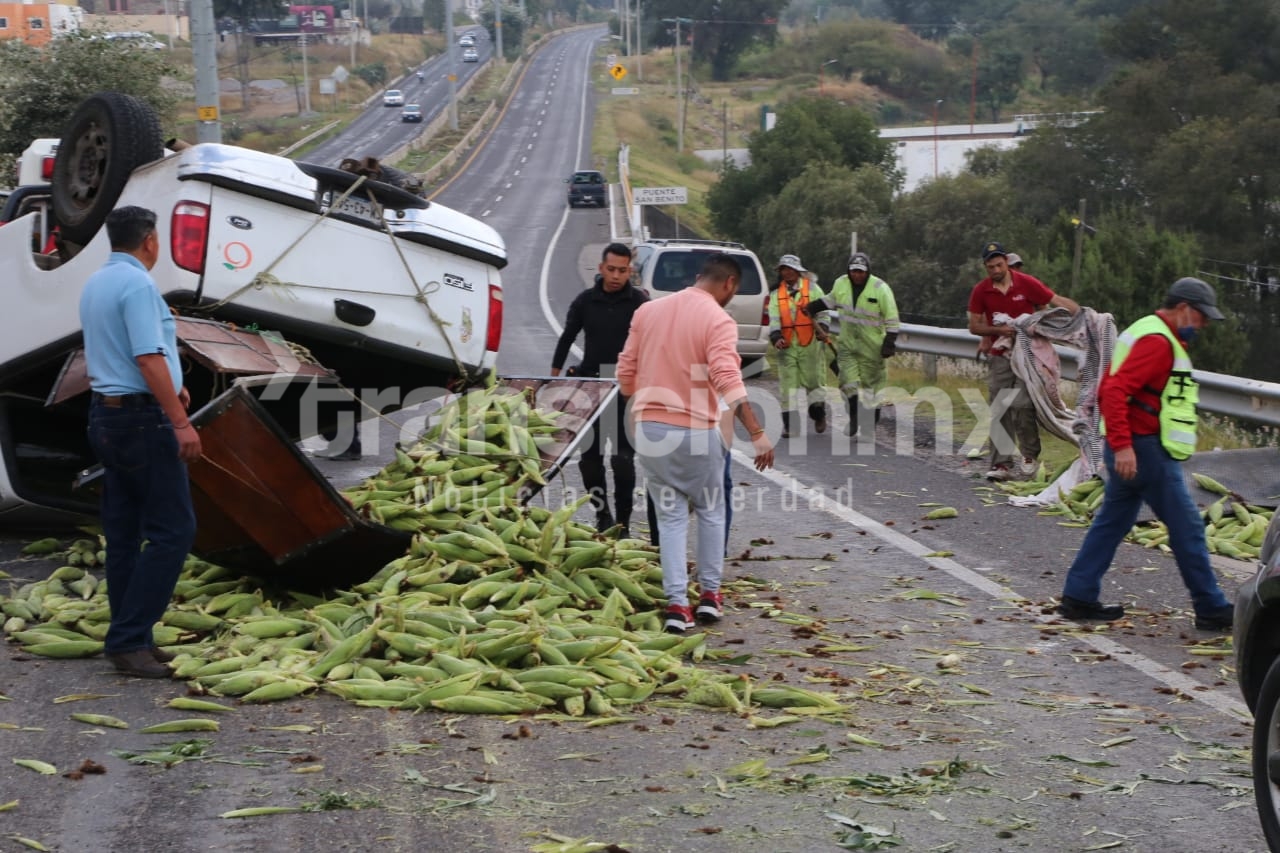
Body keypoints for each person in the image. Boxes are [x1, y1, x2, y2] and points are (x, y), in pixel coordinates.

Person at [1058, 277, 1235, 632]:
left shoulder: (1148, 329)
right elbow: (1114, 390)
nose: (1202, 326)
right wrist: (1124, 446)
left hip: (1131, 446)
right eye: (1200, 317)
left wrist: (1120, 446)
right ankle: (1211, 606)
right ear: (1184, 309)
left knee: (1111, 523)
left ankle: (1078, 596)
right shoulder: (1158, 342)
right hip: (1144, 449)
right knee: (1187, 528)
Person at [618, 253, 774, 634]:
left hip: (651, 431)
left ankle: (676, 606)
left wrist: (646, 407)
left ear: (699, 277)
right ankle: (709, 597)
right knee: (710, 511)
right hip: (697, 433)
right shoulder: (718, 319)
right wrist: (755, 431)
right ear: (729, 284)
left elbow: (625, 373)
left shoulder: (648, 312)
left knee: (669, 519)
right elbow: (726, 375)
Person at [79, 206, 201, 679]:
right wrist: (180, 421)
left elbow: (131, 354)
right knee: (174, 532)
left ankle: (132, 640)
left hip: (106, 416)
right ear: (150, 240)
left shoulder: (97, 282)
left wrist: (173, 382)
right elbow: (148, 357)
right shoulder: (138, 285)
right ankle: (130, 638)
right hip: (140, 422)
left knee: (125, 532)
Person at [551, 242, 648, 535]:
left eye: (623, 270)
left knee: (622, 461)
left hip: (626, 388)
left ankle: (623, 524)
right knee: (590, 461)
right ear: (601, 268)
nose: (617, 275)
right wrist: (552, 381)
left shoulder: (641, 303)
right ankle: (602, 515)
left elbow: (654, 343)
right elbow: (566, 338)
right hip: (590, 387)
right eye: (612, 269)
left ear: (629, 270)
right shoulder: (585, 301)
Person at [967, 241, 1078, 480]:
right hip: (1001, 353)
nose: (995, 270)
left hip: (1030, 353)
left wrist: (1081, 316)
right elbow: (974, 326)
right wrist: (997, 332)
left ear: (1006, 262)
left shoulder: (1027, 283)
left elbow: (1051, 304)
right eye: (990, 267)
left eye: (998, 265)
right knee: (1000, 405)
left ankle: (1029, 454)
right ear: (985, 267)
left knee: (1023, 403)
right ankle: (1001, 464)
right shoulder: (981, 290)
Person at [806, 252, 900, 437]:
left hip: (872, 348)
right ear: (849, 271)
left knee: (872, 389)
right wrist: (812, 307)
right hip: (848, 346)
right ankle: (855, 416)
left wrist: (889, 343)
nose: (857, 275)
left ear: (867, 272)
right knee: (846, 382)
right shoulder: (841, 283)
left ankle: (868, 428)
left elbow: (892, 318)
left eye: (861, 272)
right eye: (854, 271)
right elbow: (830, 300)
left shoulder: (880, 288)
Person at [767, 254, 831, 438]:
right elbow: (774, 318)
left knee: (814, 383)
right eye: (783, 269)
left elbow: (823, 312)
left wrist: (823, 329)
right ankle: (791, 426)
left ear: (798, 271)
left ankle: (818, 414)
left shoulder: (812, 289)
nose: (787, 272)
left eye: (790, 269)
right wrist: (776, 336)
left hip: (809, 344)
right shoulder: (775, 294)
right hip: (787, 347)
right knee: (788, 387)